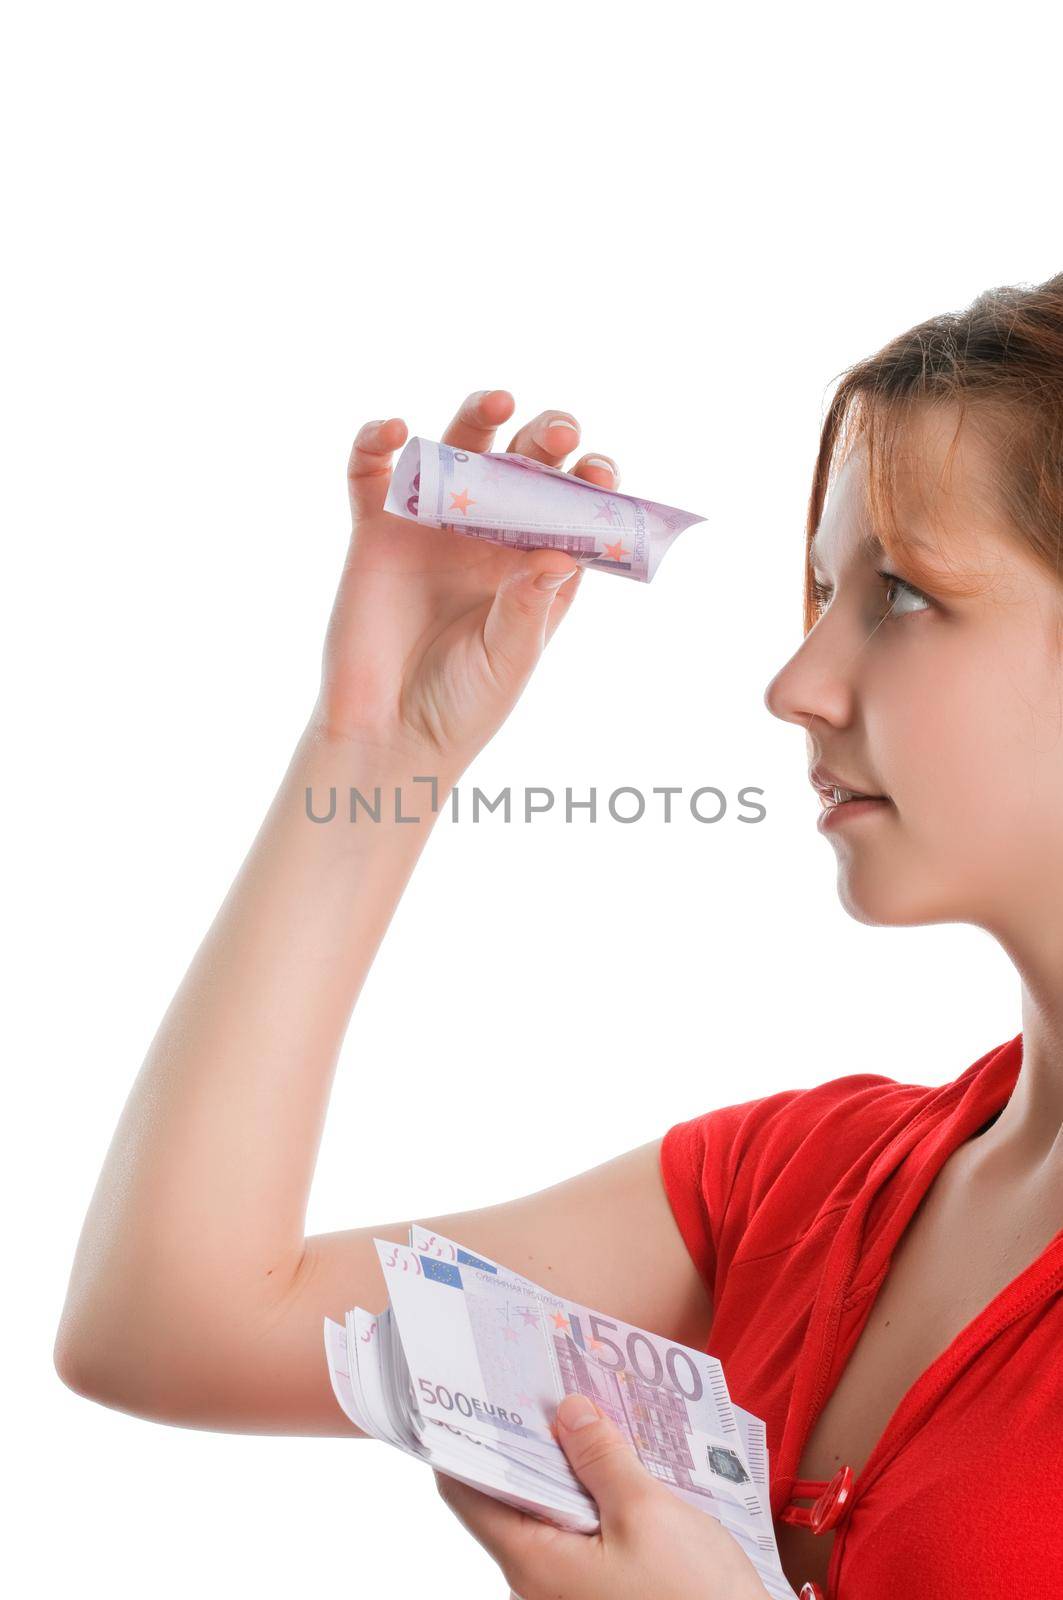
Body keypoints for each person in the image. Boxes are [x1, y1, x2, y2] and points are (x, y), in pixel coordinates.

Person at [53, 271, 1063, 1600]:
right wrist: (377, 744)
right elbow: (166, 1322)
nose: (796, 684)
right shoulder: (803, 1185)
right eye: (817, 593)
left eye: (905, 596)